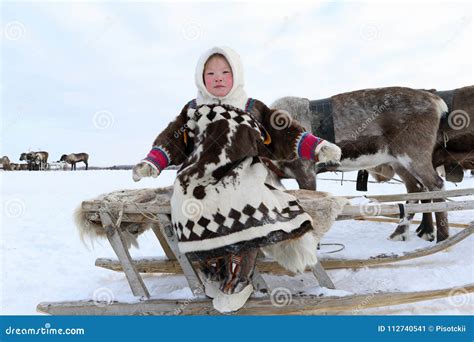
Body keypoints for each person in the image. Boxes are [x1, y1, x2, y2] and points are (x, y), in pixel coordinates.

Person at [132, 46, 341, 312]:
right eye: (210, 73)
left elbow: (283, 131)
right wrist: (153, 161)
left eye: (225, 72)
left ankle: (238, 280)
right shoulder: (193, 110)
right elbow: (173, 140)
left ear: (237, 75)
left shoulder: (251, 107)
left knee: (242, 200)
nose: (218, 78)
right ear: (200, 77)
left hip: (242, 173)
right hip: (197, 177)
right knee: (186, 203)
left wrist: (316, 147)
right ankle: (213, 269)